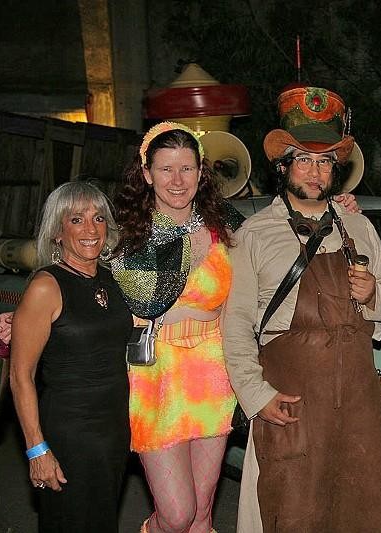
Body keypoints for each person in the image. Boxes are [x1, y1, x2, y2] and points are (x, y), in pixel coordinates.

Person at [222, 86, 381, 532]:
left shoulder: (357, 225)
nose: (315, 171)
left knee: (371, 509)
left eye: (324, 162)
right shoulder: (254, 234)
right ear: (284, 166)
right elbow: (236, 323)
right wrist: (256, 396)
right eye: (304, 159)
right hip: (293, 402)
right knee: (294, 511)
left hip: (360, 400)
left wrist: (373, 295)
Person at [112, 121, 244, 533]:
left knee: (202, 515)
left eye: (187, 168)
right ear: (147, 173)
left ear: (201, 172)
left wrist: (338, 206)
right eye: (166, 169)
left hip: (213, 373)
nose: (177, 180)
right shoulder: (126, 232)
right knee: (176, 513)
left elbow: (280, 239)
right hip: (156, 374)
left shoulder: (225, 223)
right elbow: (86, 279)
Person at [9, 181, 132, 532]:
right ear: (58, 231)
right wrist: (36, 449)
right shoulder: (46, 286)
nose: (90, 229)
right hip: (70, 432)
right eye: (77, 220)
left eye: (98, 218)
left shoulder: (112, 280)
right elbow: (20, 376)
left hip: (113, 429)